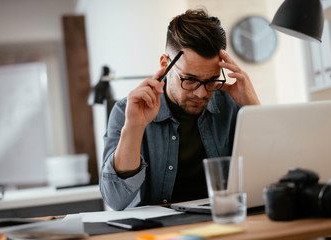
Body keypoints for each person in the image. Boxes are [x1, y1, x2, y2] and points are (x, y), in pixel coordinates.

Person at [100, 9, 260, 210]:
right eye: (190, 79)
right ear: (165, 64)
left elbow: (274, 175)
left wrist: (253, 107)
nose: (201, 93)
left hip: (223, 220)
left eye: (211, 80)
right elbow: (115, 200)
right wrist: (134, 127)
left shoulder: (232, 105)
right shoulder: (127, 111)